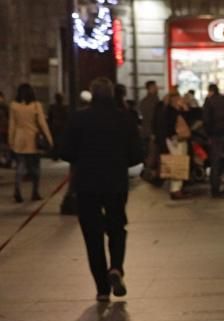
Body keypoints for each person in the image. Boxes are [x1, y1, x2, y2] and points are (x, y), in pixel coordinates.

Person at [59, 77, 143, 301]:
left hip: (86, 183)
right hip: (115, 182)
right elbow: (136, 154)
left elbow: (65, 150)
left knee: (92, 234)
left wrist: (82, 157)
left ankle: (102, 288)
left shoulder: (79, 118)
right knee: (117, 226)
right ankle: (116, 267)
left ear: (92, 95)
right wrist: (118, 161)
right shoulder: (124, 118)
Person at [8, 83, 53, 203]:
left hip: (19, 139)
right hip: (33, 140)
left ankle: (17, 191)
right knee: (35, 168)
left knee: (20, 167)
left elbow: (12, 125)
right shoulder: (36, 105)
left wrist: (10, 140)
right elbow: (42, 124)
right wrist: (49, 139)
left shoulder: (14, 106)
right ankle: (35, 192)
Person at [203, 83, 224, 197]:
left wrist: (208, 134)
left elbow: (206, 120)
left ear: (211, 91)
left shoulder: (209, 102)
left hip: (217, 135)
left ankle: (215, 188)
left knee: (216, 162)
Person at [158, 91, 190, 200]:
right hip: (175, 140)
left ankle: (178, 188)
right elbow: (169, 126)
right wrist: (173, 136)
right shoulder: (170, 111)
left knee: (180, 162)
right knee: (177, 163)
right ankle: (175, 189)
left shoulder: (174, 110)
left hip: (176, 139)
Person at [47, 93, 69, 159]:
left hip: (55, 125)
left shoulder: (52, 107)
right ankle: (59, 154)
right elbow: (66, 117)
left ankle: (55, 155)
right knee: (60, 141)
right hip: (62, 126)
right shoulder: (65, 107)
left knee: (55, 141)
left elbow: (50, 117)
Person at [0, 91, 11, 168]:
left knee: (5, 146)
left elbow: (9, 117)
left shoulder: (5, 106)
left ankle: (7, 161)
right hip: (3, 128)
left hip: (4, 129)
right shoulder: (5, 106)